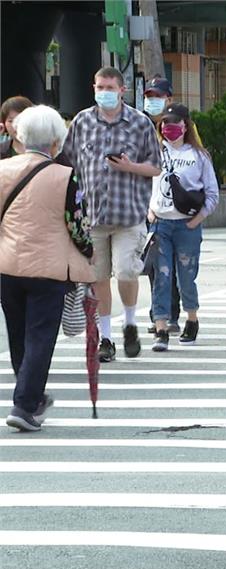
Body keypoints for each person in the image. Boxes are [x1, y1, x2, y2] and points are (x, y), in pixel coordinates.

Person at [1, 105, 94, 431]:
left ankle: (31, 395)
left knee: (18, 335)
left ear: (21, 137)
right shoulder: (65, 175)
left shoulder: (3, 169)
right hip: (49, 270)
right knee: (40, 337)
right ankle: (25, 405)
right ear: (56, 141)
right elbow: (77, 224)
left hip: (8, 266)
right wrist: (89, 252)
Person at [61, 66, 161, 363]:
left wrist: (130, 167)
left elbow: (155, 166)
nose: (103, 92)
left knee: (127, 271)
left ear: (122, 90)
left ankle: (129, 322)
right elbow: (67, 163)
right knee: (98, 278)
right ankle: (106, 337)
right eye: (99, 87)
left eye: (109, 87)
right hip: (92, 217)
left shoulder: (140, 123)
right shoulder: (82, 121)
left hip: (128, 214)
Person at [147, 104, 219, 351]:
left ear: (186, 126)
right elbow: (144, 184)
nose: (169, 128)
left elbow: (212, 193)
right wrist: (150, 211)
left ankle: (191, 319)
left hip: (187, 226)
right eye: (165, 123)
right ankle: (161, 328)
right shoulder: (154, 152)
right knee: (161, 278)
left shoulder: (199, 156)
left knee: (186, 278)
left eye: (175, 123)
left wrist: (197, 220)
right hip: (160, 224)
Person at [141, 76, 182, 335]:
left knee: (175, 266)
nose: (152, 101)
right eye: (149, 96)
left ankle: (171, 313)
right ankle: (160, 315)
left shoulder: (177, 126)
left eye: (158, 96)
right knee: (155, 264)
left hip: (175, 209)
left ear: (169, 98)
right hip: (149, 207)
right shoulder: (142, 126)